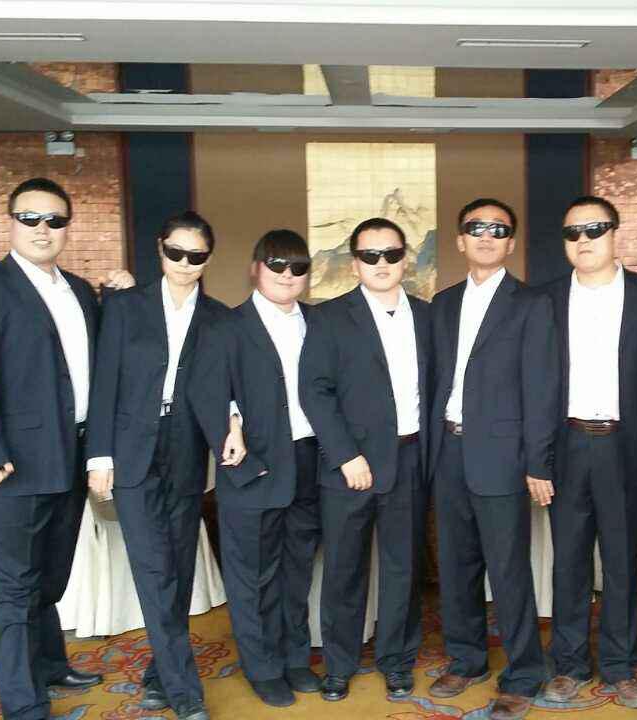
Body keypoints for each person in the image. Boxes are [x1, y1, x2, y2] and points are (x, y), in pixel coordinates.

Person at [0, 177, 105, 720]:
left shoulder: (80, 291)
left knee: (52, 576)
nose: (43, 229)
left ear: (67, 228)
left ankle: (50, 664)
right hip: (13, 463)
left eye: (55, 220)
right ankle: (23, 702)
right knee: (13, 586)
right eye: (31, 218)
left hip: (73, 455)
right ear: (11, 223)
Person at [85, 210, 228, 720]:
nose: (185, 263)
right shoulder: (126, 308)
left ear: (208, 258)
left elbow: (226, 386)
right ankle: (185, 694)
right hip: (131, 450)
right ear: (159, 248)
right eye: (176, 252)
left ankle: (158, 675)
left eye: (197, 255)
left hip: (186, 450)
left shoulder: (219, 317)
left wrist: (232, 424)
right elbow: (105, 383)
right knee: (153, 568)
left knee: (179, 568)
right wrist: (99, 457)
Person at [427, 198, 559, 720]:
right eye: (476, 227)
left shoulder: (531, 303)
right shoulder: (442, 303)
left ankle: (523, 673)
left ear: (511, 243)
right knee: (455, 565)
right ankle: (466, 659)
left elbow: (542, 388)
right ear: (460, 240)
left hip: (502, 455)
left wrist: (538, 462)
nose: (486, 235)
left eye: (498, 229)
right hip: (448, 450)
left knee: (507, 570)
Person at [187, 229, 324, 709]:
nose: (287, 275)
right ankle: (262, 667)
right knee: (254, 576)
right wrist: (232, 423)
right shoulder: (226, 326)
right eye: (276, 264)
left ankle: (294, 658)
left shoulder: (318, 322)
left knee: (297, 571)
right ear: (255, 269)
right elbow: (207, 391)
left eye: (297, 267)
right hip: (253, 465)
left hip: (309, 462)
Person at [299, 217, 431, 702]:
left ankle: (397, 661)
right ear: (355, 263)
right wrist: (345, 455)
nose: (381, 263)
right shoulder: (329, 317)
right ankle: (339, 664)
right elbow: (315, 391)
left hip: (410, 459)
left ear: (405, 260)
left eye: (391, 254)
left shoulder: (428, 316)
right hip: (350, 467)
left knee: (403, 569)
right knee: (344, 570)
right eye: (370, 255)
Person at [540, 196, 637, 709]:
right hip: (566, 444)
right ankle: (568, 665)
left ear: (614, 233)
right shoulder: (545, 300)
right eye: (573, 232)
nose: (583, 240)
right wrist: (536, 457)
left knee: (623, 559)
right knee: (568, 560)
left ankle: (620, 665)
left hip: (624, 445)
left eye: (594, 229)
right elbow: (534, 383)